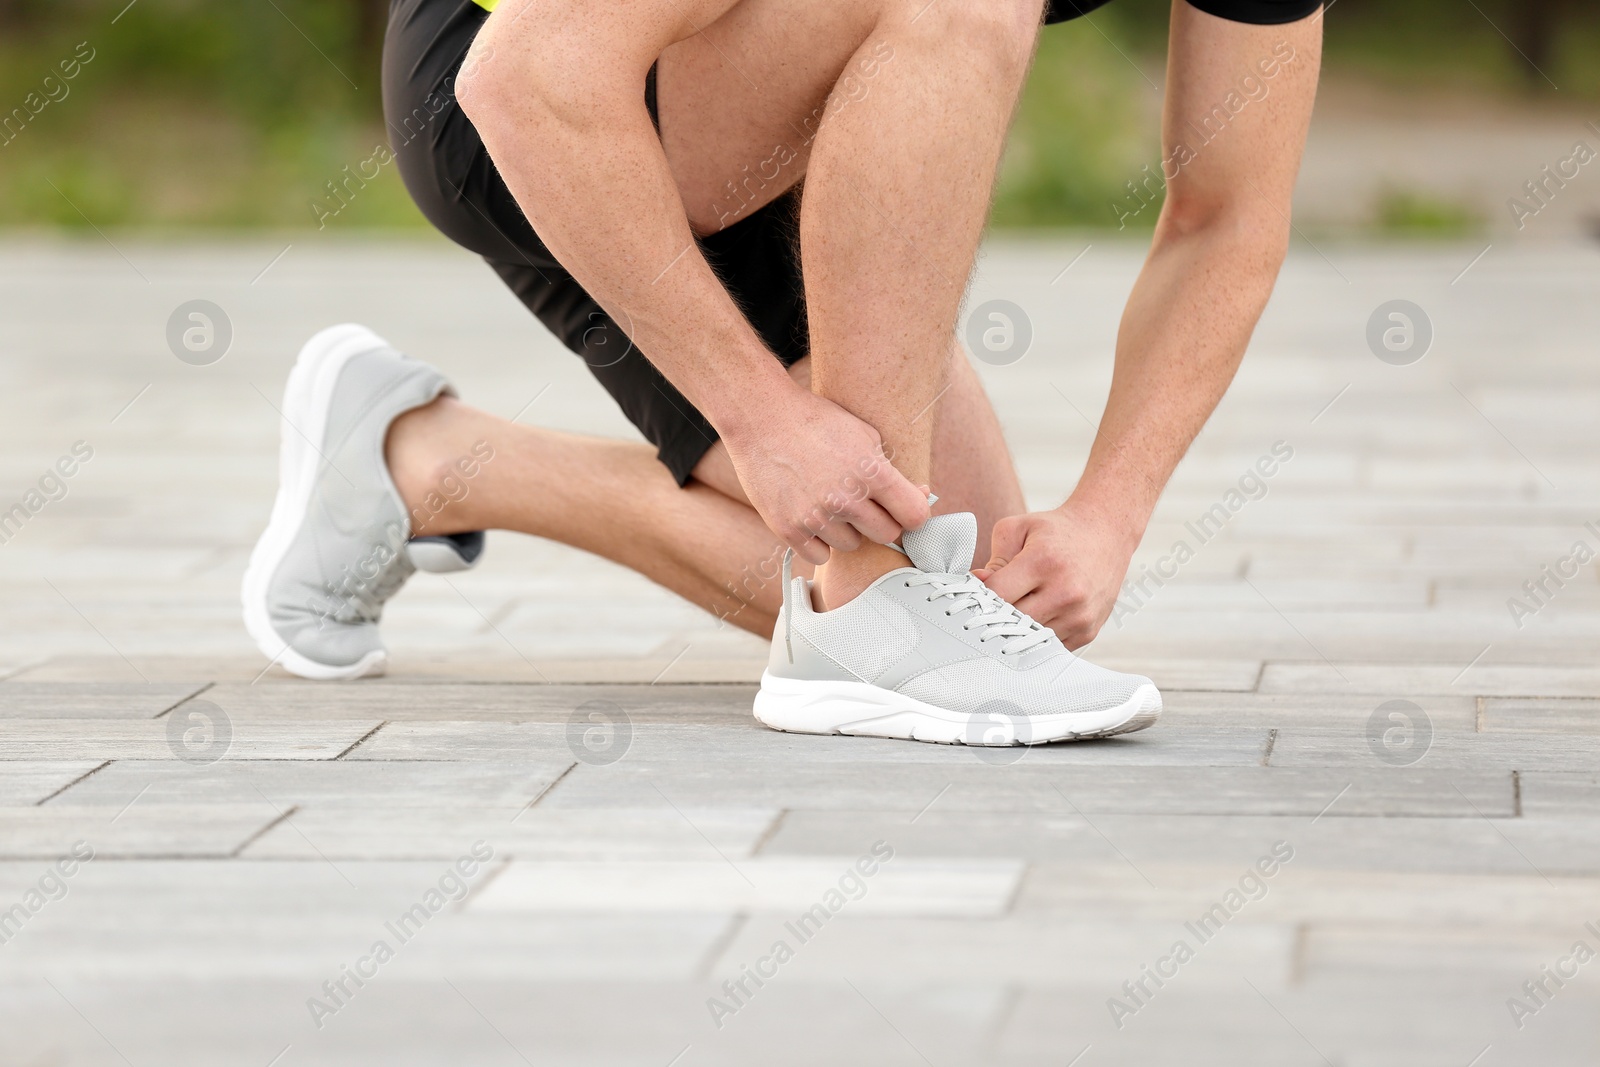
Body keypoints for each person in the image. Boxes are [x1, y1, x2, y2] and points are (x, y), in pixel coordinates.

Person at [242, 0, 1323, 745]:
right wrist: (761, 419)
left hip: (756, 128)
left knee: (983, 598)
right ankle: (860, 599)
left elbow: (1223, 219)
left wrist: (1109, 514)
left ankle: (417, 460)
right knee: (900, 597)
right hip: (530, 100)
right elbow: (526, 79)